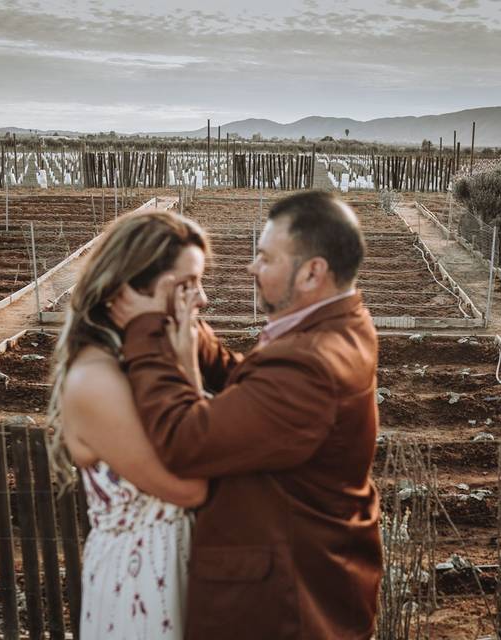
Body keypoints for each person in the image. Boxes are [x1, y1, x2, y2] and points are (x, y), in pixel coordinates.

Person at [108, 190, 383, 639]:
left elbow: (185, 441)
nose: (251, 268)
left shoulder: (312, 363)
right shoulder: (340, 326)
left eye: (266, 258)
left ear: (313, 272)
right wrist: (196, 342)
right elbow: (262, 391)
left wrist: (145, 330)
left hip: (284, 605)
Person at [46, 210, 211, 639]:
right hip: (142, 579)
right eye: (186, 285)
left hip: (184, 562)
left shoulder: (146, 360)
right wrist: (189, 372)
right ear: (129, 289)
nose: (202, 299)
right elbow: (192, 486)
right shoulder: (96, 380)